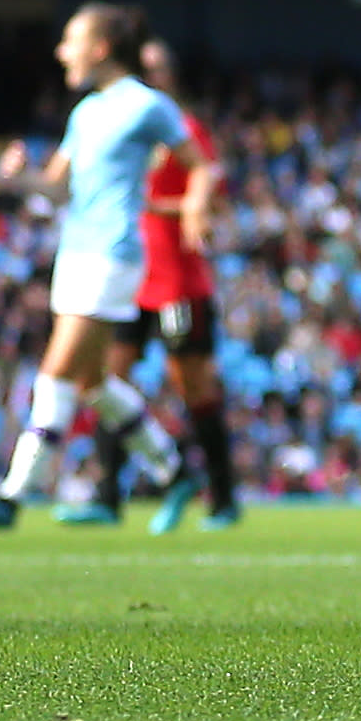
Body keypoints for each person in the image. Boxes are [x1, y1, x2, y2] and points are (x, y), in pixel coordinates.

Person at [0, 4, 189, 532]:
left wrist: (192, 201)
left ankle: (12, 496)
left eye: (70, 40)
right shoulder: (85, 111)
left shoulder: (147, 105)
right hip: (75, 252)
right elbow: (58, 187)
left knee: (56, 372)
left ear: (101, 48)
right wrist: (19, 179)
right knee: (92, 382)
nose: (60, 51)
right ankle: (175, 473)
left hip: (113, 253)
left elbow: (196, 160)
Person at [119, 35, 236, 532]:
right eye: (142, 71)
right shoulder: (126, 133)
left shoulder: (185, 132)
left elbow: (211, 198)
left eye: (158, 69)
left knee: (192, 387)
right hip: (130, 275)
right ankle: (111, 495)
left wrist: (157, 206)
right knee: (106, 380)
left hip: (177, 279)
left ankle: (222, 497)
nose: (151, 79)